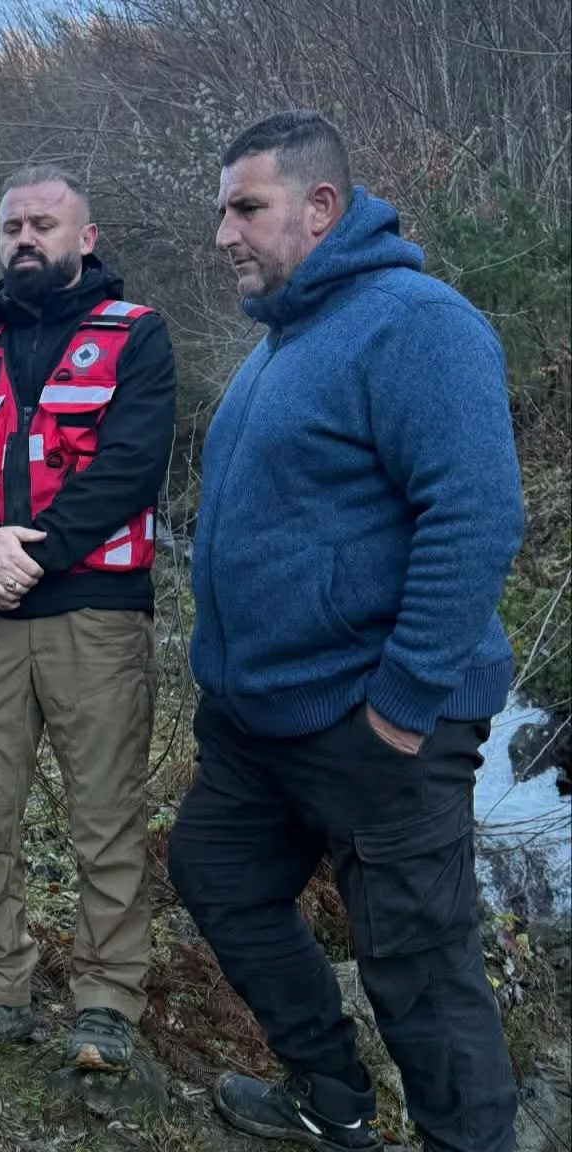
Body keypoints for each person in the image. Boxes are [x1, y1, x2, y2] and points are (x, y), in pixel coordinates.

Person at [167, 111, 523, 1152]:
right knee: (216, 874)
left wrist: (402, 709)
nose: (225, 233)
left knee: (419, 970)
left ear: (320, 209)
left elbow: (475, 515)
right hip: (261, 725)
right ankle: (332, 1096)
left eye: (247, 208)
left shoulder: (418, 323)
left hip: (378, 720)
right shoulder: (282, 344)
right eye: (222, 210)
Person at [0, 166, 176, 1067]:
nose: (26, 238)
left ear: (85, 238)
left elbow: (132, 463)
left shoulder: (135, 336)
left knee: (105, 817)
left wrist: (36, 551)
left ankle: (107, 999)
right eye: (12, 227)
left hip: (95, 612)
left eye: (44, 224)